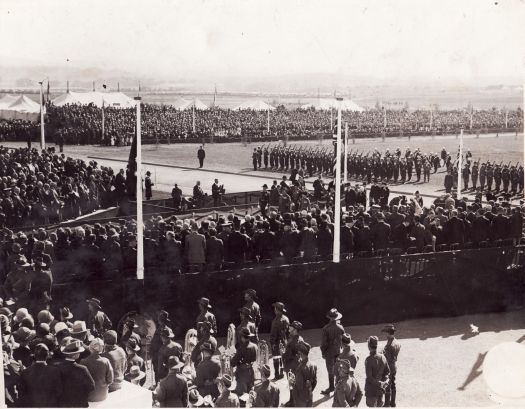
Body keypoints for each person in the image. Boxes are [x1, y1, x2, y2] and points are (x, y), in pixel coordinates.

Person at [19, 343, 62, 407]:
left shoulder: (25, 372)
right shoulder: (55, 371)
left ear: (34, 356)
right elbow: (59, 391)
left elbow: (22, 393)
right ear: (47, 355)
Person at [56, 339, 96, 408]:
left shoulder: (57, 368)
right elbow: (91, 386)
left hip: (64, 404)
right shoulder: (83, 369)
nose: (79, 353)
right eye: (78, 352)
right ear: (75, 355)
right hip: (80, 403)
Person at [321, 308, 345, 395]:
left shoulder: (326, 328)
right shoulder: (341, 327)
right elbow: (343, 340)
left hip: (329, 352)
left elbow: (324, 343)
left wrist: (323, 352)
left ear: (329, 318)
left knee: (330, 370)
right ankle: (338, 387)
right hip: (338, 351)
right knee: (338, 369)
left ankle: (331, 387)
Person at [81, 338, 114, 402]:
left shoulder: (83, 362)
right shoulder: (106, 361)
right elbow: (110, 380)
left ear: (90, 348)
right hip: (103, 395)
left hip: (89, 396)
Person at [364, 336, 390, 407]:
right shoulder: (383, 357)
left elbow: (370, 378)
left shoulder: (368, 360)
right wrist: (385, 382)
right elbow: (387, 372)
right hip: (380, 391)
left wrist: (381, 383)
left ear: (369, 346)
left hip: (371, 391)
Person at [231, 327, 258, 395]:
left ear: (242, 337)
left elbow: (233, 363)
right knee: (250, 392)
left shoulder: (242, 348)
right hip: (251, 372)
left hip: (242, 374)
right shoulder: (255, 346)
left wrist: (231, 354)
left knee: (242, 395)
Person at [291, 341, 317, 407]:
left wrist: (292, 383)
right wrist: (309, 390)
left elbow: (299, 386)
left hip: (301, 398)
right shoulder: (313, 365)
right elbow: (315, 381)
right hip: (310, 395)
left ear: (300, 353)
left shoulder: (300, 368)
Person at [381, 324, 401, 407]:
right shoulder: (397, 342)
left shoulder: (389, 345)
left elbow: (386, 358)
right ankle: (393, 403)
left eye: (385, 333)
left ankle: (386, 404)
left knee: (387, 386)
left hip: (389, 367)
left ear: (388, 333)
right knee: (393, 384)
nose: (385, 335)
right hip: (394, 365)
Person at [269, 301, 289, 380]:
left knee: (276, 358)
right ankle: (281, 373)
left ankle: (277, 374)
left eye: (275, 308)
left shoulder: (276, 321)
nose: (274, 310)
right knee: (282, 357)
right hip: (284, 341)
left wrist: (272, 342)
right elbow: (288, 331)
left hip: (277, 343)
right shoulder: (286, 318)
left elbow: (273, 334)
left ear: (277, 309)